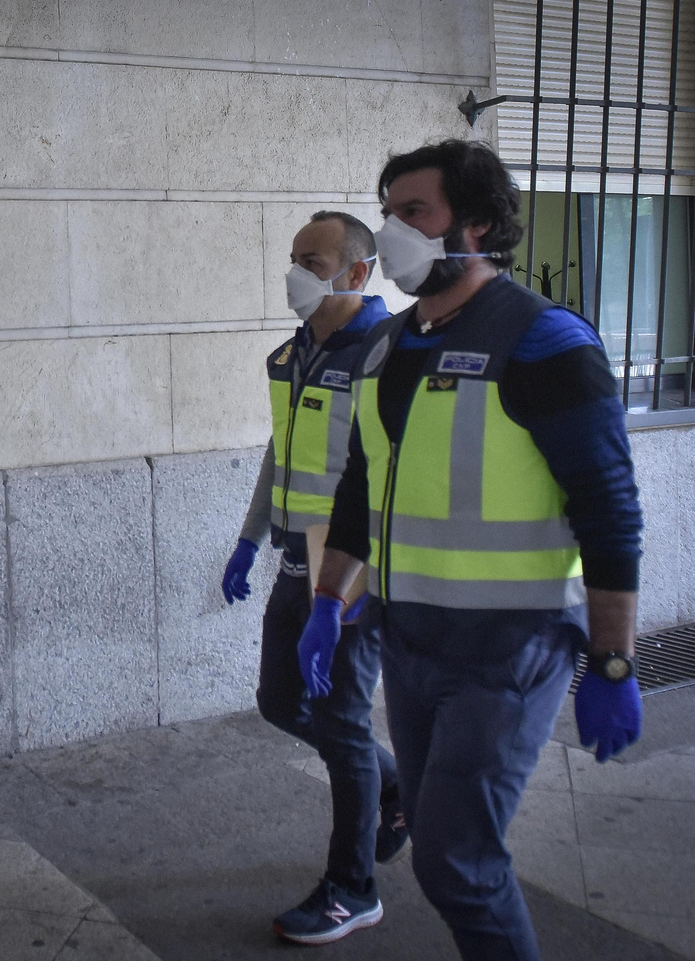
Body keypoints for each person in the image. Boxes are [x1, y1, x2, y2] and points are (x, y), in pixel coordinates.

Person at [306, 140, 644, 961]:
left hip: (508, 652)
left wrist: (611, 664)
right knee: (434, 838)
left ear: (479, 225)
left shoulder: (544, 341)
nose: (392, 233)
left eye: (413, 213)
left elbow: (610, 514)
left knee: (458, 864)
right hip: (412, 644)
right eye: (387, 214)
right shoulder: (394, 348)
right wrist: (327, 599)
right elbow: (361, 488)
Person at [221, 211, 407, 946]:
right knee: (278, 701)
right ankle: (392, 784)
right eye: (294, 256)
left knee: (341, 721)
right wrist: (248, 538)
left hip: (351, 575)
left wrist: (346, 591)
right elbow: (282, 450)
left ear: (356, 274)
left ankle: (352, 889)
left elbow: (383, 473)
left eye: (313, 258)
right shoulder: (294, 354)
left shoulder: (384, 355)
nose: (295, 270)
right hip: (296, 563)